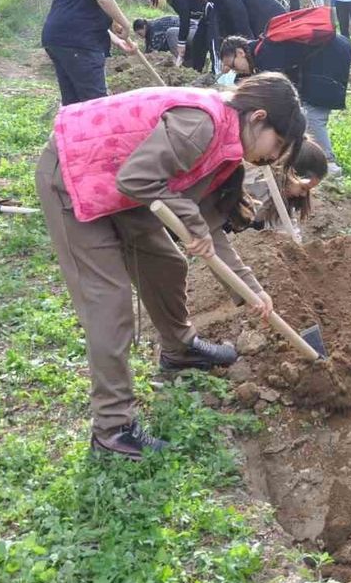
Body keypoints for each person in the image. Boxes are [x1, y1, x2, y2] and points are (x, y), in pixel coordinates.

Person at [35, 73, 307, 458]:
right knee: (110, 307)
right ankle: (112, 431)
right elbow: (137, 178)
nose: (271, 156)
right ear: (258, 117)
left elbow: (210, 227)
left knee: (164, 260)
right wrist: (191, 221)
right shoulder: (203, 124)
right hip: (74, 175)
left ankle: (179, 348)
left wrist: (252, 290)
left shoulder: (227, 147)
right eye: (276, 144)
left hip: (118, 183)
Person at [218, 30, 351, 176]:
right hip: (332, 49)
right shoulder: (260, 52)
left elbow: (278, 95)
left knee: (314, 114)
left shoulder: (266, 54)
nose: (234, 71)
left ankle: (328, 164)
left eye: (232, 66)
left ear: (240, 53)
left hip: (329, 55)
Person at [243, 140, 328, 235]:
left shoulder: (285, 202)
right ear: (289, 173)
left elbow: (287, 229)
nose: (303, 194)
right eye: (303, 188)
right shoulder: (252, 178)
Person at [149, 0, 206, 71]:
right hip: (200, 23)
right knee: (173, 33)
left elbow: (185, 20)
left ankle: (188, 66)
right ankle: (189, 63)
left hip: (207, 27)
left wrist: (181, 43)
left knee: (172, 34)